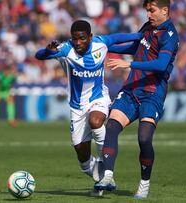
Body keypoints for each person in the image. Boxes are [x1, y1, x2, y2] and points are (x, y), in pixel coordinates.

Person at [35, 20, 142, 196]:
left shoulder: (101, 43)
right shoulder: (65, 49)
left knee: (96, 121)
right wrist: (48, 51)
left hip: (98, 98)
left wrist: (140, 35)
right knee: (82, 156)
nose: (78, 43)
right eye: (75, 39)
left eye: (82, 38)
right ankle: (99, 176)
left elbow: (118, 38)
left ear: (90, 37)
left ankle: (107, 169)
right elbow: (39, 56)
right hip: (77, 107)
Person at [94, 0, 179, 199]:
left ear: (165, 10)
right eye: (147, 10)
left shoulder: (170, 35)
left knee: (144, 139)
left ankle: (144, 183)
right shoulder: (148, 27)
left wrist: (129, 64)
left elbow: (161, 64)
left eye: (152, 10)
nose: (148, 14)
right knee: (112, 126)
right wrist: (107, 47)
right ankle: (108, 176)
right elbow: (136, 47)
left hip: (152, 92)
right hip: (132, 88)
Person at [0, 63, 17, 127]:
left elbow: (11, 85)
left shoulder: (12, 77)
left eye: (8, 71)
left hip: (6, 91)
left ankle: (11, 120)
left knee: (11, 102)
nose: (6, 72)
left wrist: (11, 93)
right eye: (5, 71)